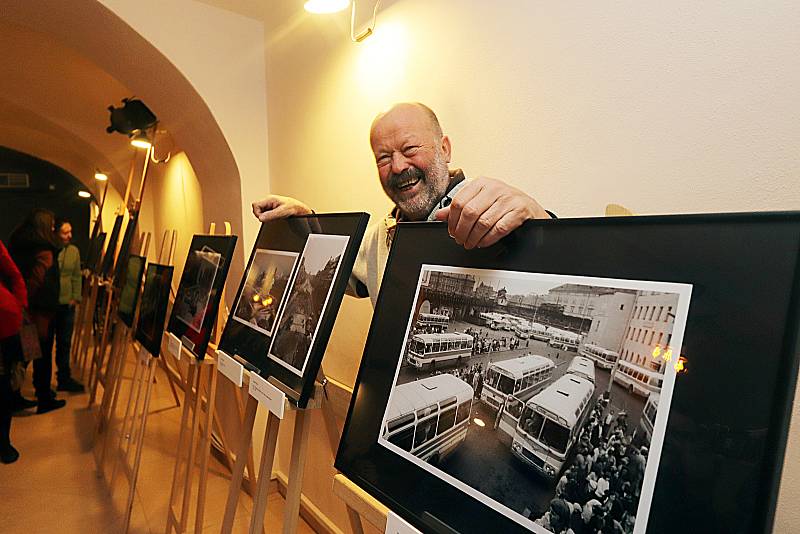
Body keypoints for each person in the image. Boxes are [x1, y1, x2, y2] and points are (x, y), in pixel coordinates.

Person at [252, 102, 553, 306]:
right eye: (384, 157)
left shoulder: (487, 212)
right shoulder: (381, 237)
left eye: (410, 149)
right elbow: (337, 269)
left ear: (444, 149)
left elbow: (557, 269)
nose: (397, 167)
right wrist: (303, 217)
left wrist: (539, 218)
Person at [9, 208, 67, 414]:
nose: (54, 228)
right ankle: (43, 398)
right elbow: (37, 279)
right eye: (51, 225)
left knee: (23, 355)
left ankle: (13, 397)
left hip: (23, 309)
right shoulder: (43, 250)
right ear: (44, 226)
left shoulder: (20, 243)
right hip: (37, 311)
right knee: (39, 353)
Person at [0, 240, 27, 463]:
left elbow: (15, 275)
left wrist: (17, 306)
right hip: (6, 318)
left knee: (4, 383)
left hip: (4, 321)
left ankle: (3, 442)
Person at [53, 218, 84, 392]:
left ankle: (63, 378)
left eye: (70, 231)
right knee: (45, 343)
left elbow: (76, 276)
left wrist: (75, 297)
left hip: (67, 305)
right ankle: (40, 382)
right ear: (56, 233)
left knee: (64, 343)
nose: (69, 235)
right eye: (65, 232)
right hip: (50, 304)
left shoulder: (74, 251)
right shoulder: (51, 250)